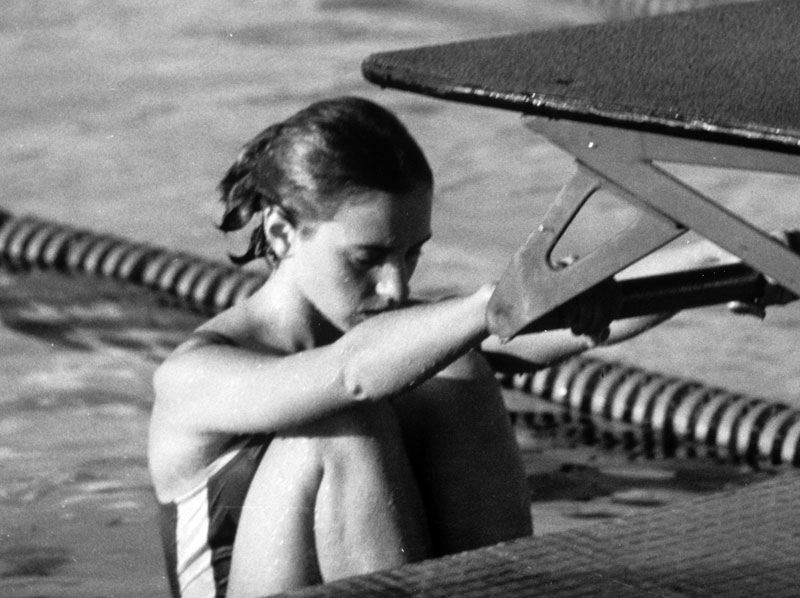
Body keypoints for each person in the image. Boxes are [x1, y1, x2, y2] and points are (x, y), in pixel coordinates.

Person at [147, 96, 781, 598]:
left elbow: (540, 326)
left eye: (411, 254)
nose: (396, 285)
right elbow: (350, 374)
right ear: (283, 232)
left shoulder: (385, 328)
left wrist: (730, 256)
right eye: (367, 258)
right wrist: (493, 304)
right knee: (343, 428)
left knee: (457, 370)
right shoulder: (197, 375)